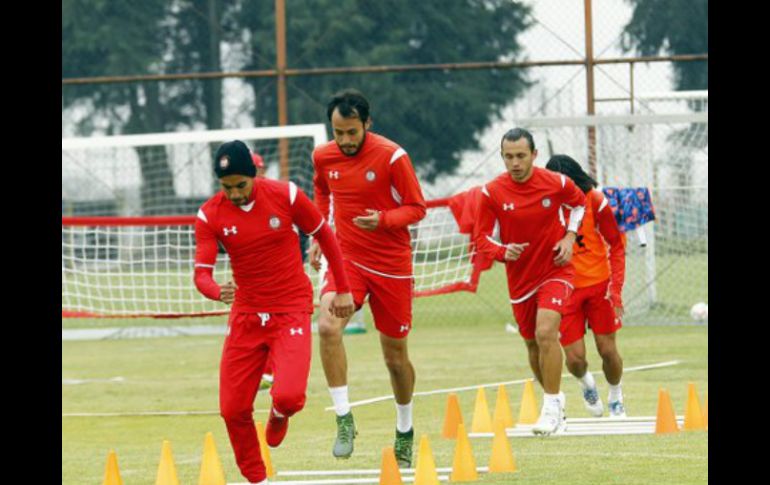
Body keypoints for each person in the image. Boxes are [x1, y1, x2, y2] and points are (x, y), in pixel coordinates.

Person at [193, 140, 355, 484]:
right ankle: (258, 479)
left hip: (290, 309)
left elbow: (326, 236)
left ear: (254, 174)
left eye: (241, 185)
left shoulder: (287, 195)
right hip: (246, 316)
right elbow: (201, 273)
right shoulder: (210, 214)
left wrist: (343, 288)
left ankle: (280, 413)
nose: (235, 194)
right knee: (232, 409)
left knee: (289, 396)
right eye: (226, 187)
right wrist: (216, 290)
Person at [308, 89, 427, 466]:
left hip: (392, 266)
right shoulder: (323, 156)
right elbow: (321, 191)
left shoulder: (393, 156)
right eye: (338, 133)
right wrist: (319, 235)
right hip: (347, 259)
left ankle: (404, 430)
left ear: (367, 124)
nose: (345, 140)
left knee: (395, 358)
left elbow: (417, 208)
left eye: (352, 132)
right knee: (327, 327)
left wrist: (384, 220)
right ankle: (344, 419)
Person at [475, 128, 586, 436]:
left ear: (534, 155)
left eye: (521, 156)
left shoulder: (557, 183)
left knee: (546, 332)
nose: (515, 163)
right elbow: (481, 238)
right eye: (508, 157)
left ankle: (550, 408)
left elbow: (579, 204)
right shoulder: (492, 193)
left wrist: (569, 237)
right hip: (520, 279)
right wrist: (502, 251)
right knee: (532, 344)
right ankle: (557, 401)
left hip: (555, 270)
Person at [545, 154, 627, 418]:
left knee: (607, 350)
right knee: (575, 359)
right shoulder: (545, 204)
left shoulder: (595, 200)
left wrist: (615, 289)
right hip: (565, 289)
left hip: (598, 285)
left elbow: (616, 245)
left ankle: (616, 396)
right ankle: (586, 384)